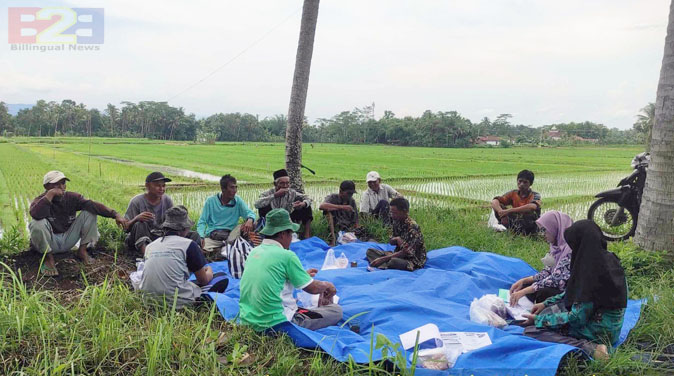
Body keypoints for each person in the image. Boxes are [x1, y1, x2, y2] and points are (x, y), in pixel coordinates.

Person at [522, 220, 627, 361]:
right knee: (550, 309)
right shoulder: (608, 259)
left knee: (533, 331)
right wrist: (545, 304)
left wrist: (540, 320)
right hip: (612, 327)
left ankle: (591, 348)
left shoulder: (589, 271)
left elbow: (577, 318)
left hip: (598, 332)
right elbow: (576, 292)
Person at [238, 208, 342, 331]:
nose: (291, 239)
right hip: (276, 323)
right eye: (291, 234)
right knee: (336, 311)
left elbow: (274, 275)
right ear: (282, 234)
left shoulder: (254, 252)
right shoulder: (287, 256)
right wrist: (327, 285)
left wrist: (302, 275)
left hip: (247, 320)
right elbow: (313, 288)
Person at [29, 170, 126, 276]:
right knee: (36, 223)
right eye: (56, 184)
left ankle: (82, 251)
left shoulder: (71, 197)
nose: (61, 187)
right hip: (49, 242)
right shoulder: (40, 200)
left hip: (67, 238)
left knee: (89, 213)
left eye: (63, 183)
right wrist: (50, 195)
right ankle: (48, 258)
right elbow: (35, 214)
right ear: (47, 186)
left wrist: (115, 214)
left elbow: (92, 205)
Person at [140, 206, 228, 308]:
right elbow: (203, 280)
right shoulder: (189, 244)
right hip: (175, 302)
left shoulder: (151, 246)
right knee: (220, 277)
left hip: (148, 301)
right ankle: (200, 300)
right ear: (183, 229)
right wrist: (209, 270)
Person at [124, 171, 200, 255]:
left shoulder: (167, 200)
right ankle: (147, 256)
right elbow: (125, 228)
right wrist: (136, 218)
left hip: (160, 236)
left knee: (194, 235)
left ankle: (190, 256)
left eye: (163, 186)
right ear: (147, 186)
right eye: (157, 185)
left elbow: (173, 224)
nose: (161, 189)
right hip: (141, 238)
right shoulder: (136, 201)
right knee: (140, 224)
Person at [509, 211, 574, 304]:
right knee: (525, 285)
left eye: (545, 230)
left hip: (566, 290)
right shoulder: (556, 246)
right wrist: (524, 280)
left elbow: (555, 279)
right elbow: (547, 271)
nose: (543, 235)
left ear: (555, 228)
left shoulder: (569, 249)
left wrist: (524, 292)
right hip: (555, 283)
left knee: (542, 293)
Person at [197, 174, 256, 254]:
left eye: (236, 187)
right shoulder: (211, 201)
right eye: (232, 187)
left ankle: (226, 247)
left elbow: (250, 213)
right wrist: (201, 236)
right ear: (223, 189)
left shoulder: (237, 201)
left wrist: (250, 219)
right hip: (214, 236)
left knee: (250, 224)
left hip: (231, 234)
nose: (235, 190)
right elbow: (202, 222)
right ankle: (225, 248)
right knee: (201, 249)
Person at [367, 198, 426, 271]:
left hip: (412, 259)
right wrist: (396, 239)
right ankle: (384, 264)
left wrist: (383, 259)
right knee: (370, 251)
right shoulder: (396, 221)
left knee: (393, 261)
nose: (392, 215)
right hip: (397, 254)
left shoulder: (412, 227)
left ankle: (384, 264)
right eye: (391, 212)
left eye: (394, 213)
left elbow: (407, 253)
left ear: (404, 211)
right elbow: (391, 241)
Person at [255, 169, 313, 239]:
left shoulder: (291, 192)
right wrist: (275, 195)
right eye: (282, 183)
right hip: (272, 219)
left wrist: (303, 203)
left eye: (287, 183)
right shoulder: (267, 193)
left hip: (286, 217)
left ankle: (306, 235)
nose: (285, 186)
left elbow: (308, 198)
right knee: (264, 205)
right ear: (275, 184)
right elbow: (257, 204)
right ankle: (269, 232)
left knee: (307, 206)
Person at [491, 169, 541, 235]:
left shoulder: (535, 195)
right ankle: (512, 230)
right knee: (499, 205)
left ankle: (522, 233)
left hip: (530, 225)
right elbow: (494, 201)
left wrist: (509, 211)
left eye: (525, 182)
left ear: (530, 184)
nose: (521, 184)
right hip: (517, 221)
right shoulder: (513, 193)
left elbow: (532, 207)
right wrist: (501, 212)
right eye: (520, 181)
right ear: (517, 181)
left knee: (529, 214)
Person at [319, 180, 359, 245]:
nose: (350, 196)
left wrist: (356, 229)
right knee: (328, 212)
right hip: (334, 227)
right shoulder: (332, 198)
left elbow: (356, 219)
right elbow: (322, 206)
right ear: (341, 191)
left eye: (351, 194)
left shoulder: (352, 201)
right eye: (348, 193)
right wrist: (342, 207)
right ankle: (332, 239)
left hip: (346, 229)